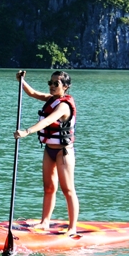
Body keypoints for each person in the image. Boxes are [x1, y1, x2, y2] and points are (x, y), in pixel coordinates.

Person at [13, 70, 80, 236]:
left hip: (63, 152)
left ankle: (72, 228)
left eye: (55, 83)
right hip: (49, 150)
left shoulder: (64, 106)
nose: (51, 86)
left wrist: (26, 132)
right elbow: (32, 93)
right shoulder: (51, 99)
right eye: (50, 82)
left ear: (65, 87)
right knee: (49, 187)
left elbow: (49, 120)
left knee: (68, 190)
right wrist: (21, 80)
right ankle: (45, 222)